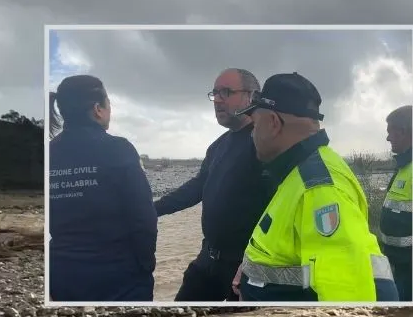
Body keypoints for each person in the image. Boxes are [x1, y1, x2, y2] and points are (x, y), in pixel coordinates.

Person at [230, 73, 397, 302]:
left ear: (273, 123)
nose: (252, 134)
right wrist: (250, 272)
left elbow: (346, 297)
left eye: (255, 124)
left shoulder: (319, 188)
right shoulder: (299, 172)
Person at [153, 68, 275, 301]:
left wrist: (258, 264)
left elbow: (280, 207)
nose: (218, 100)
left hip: (245, 266)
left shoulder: (263, 145)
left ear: (252, 96)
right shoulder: (218, 146)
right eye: (215, 93)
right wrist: (152, 209)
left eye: (226, 92)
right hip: (208, 259)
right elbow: (197, 187)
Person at [47, 75, 157, 302]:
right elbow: (143, 217)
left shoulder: (49, 152)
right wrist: (146, 264)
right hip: (118, 276)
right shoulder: (118, 149)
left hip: (62, 272)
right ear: (98, 108)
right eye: (108, 103)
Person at [377, 105, 413, 302]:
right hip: (397, 263)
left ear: (404, 132)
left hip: (408, 266)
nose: (388, 138)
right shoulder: (403, 166)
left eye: (391, 132)